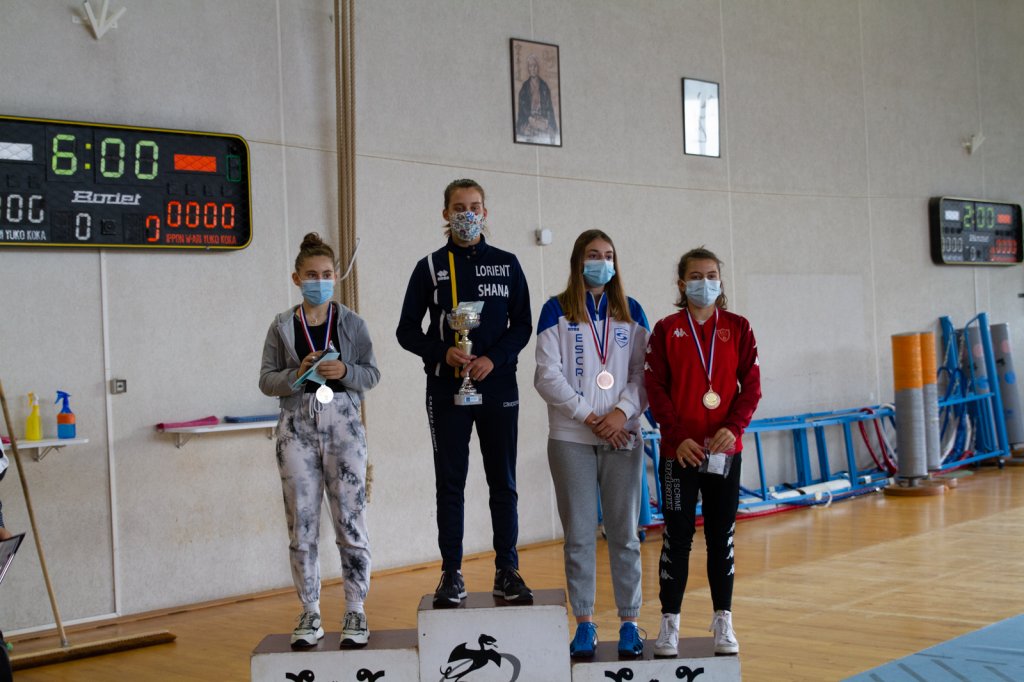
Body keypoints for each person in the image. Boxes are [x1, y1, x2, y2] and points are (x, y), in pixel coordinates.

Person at [396, 178, 533, 608]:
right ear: (445, 214)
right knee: (450, 482)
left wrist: (494, 358)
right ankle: (451, 573)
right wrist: (442, 352)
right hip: (446, 388)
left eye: (475, 206)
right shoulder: (430, 267)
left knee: (502, 481)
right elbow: (406, 330)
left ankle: (507, 569)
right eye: (459, 207)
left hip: (499, 386)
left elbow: (522, 325)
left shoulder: (508, 264)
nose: (467, 214)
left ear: (485, 212)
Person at [259, 232, 380, 649]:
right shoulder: (281, 325)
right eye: (312, 275)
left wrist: (344, 371)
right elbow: (266, 380)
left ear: (335, 278)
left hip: (343, 424)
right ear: (297, 278)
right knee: (302, 523)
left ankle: (356, 609)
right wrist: (297, 374)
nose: (320, 281)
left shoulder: (352, 323)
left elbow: (371, 374)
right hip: (296, 425)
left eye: (327, 274)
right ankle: (310, 610)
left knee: (351, 520)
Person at [534, 230, 650, 658]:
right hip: (571, 438)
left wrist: (621, 413)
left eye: (608, 255)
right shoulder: (556, 310)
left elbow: (644, 373)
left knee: (625, 534)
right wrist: (590, 417)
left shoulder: (632, 311)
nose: (602, 262)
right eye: (593, 254)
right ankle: (584, 624)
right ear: (578, 261)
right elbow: (547, 375)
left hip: (623, 434)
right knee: (579, 536)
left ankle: (630, 622)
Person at [644, 247, 761, 658]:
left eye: (712, 275)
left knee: (721, 536)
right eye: (696, 276)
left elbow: (752, 387)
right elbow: (655, 389)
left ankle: (723, 619)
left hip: (724, 452)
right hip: (680, 454)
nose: (705, 282)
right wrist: (676, 437)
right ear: (682, 283)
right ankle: (669, 623)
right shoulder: (666, 329)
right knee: (676, 538)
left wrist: (733, 427)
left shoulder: (739, 328)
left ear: (720, 281)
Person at [516, 55, 559, 144]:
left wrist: (550, 125)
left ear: (538, 67)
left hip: (542, 122)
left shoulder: (544, 87)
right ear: (528, 68)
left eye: (535, 66)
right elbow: (522, 112)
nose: (533, 69)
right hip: (529, 121)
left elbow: (549, 109)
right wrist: (527, 123)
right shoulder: (524, 88)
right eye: (530, 66)